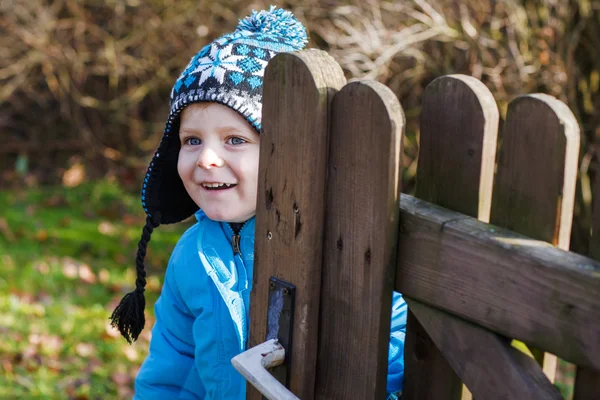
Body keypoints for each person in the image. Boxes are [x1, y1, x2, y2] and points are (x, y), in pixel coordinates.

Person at [109, 7, 407, 399]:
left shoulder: (351, 253)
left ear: (288, 154)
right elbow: (173, 370)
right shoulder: (193, 256)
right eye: (192, 140)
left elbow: (392, 365)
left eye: (235, 139)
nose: (205, 159)